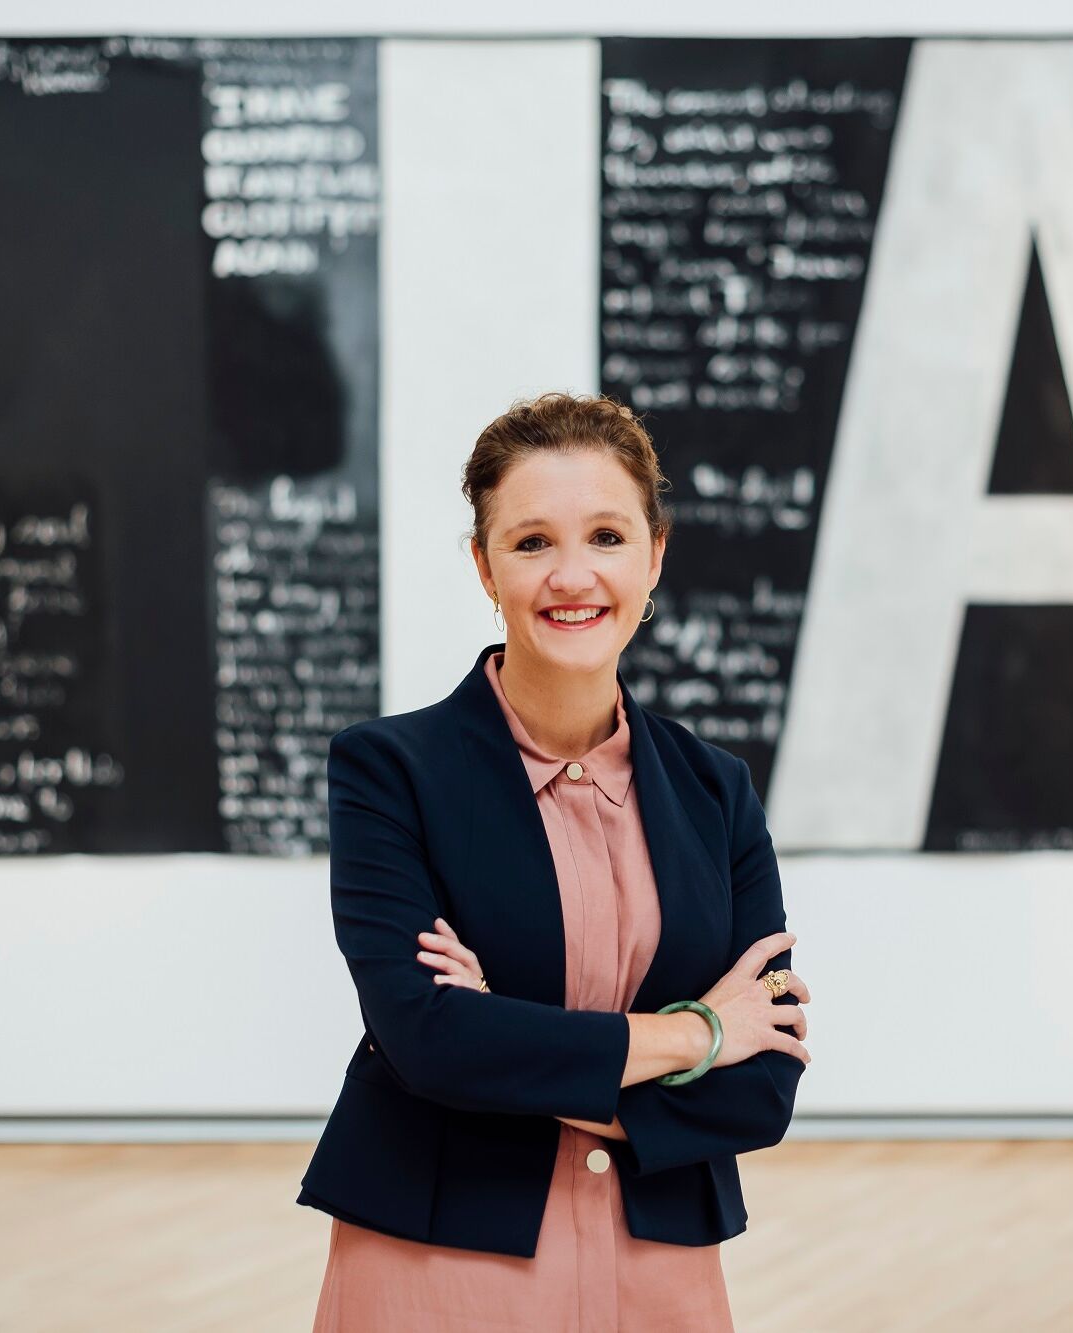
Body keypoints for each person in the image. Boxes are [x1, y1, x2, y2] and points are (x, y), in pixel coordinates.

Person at [298, 391, 812, 1331]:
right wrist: (696, 1035)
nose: (571, 575)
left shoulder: (716, 791)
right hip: (439, 1259)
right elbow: (426, 1040)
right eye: (531, 542)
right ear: (484, 568)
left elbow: (762, 1087)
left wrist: (509, 1040)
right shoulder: (388, 772)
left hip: (660, 1267)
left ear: (655, 555)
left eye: (607, 537)